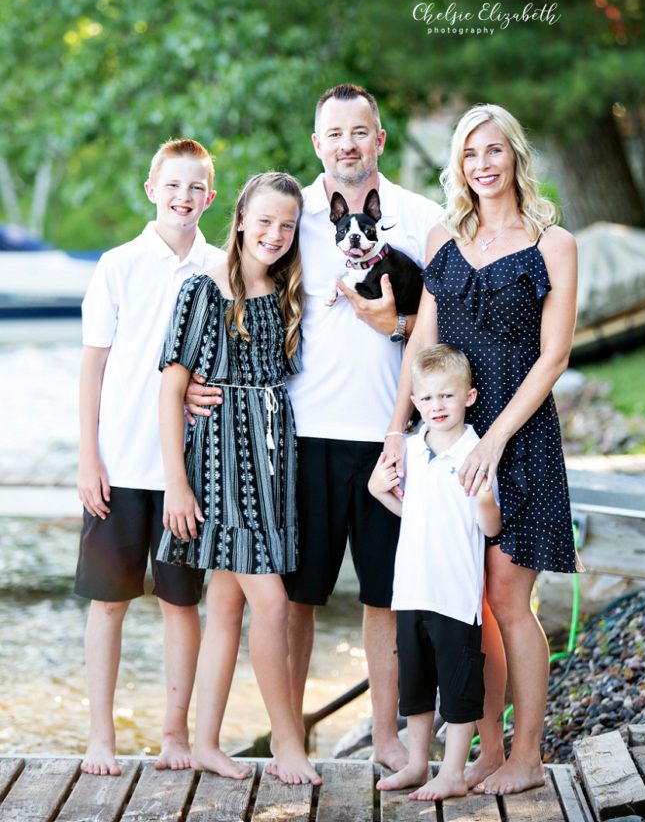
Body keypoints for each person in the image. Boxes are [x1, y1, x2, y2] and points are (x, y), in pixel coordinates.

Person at [186, 83, 442, 770]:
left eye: (360, 132)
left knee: (385, 597)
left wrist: (402, 324)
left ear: (379, 140)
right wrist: (187, 381)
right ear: (316, 143)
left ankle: (385, 736)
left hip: (391, 441)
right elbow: (222, 276)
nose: (347, 144)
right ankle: (291, 737)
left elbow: (454, 320)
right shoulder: (292, 213)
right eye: (334, 134)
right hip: (294, 440)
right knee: (296, 598)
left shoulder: (421, 217)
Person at [383, 103, 580, 795]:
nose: (483, 164)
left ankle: (527, 755)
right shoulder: (444, 237)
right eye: (470, 154)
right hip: (445, 437)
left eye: (494, 151)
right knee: (465, 598)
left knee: (505, 597)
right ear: (459, 165)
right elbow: (422, 346)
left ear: (514, 157)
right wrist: (397, 435)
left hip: (516, 438)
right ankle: (486, 752)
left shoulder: (552, 244)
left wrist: (493, 440)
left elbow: (553, 357)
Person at [157, 172, 321, 785]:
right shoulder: (204, 292)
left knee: (227, 604)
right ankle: (287, 741)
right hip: (221, 463)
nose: (274, 234)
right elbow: (171, 391)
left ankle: (204, 741)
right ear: (240, 221)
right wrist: (176, 481)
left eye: (287, 225)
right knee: (272, 603)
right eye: (265, 221)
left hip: (272, 465)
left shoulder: (287, 295)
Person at [74, 138, 221, 776]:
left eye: (196, 188)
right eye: (173, 185)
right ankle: (100, 738)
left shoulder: (221, 267)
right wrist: (88, 458)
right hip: (120, 463)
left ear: (210, 198)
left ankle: (174, 734)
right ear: (151, 190)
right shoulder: (117, 264)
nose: (183, 197)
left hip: (186, 473)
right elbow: (93, 367)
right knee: (107, 603)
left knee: (181, 603)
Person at [369, 344, 501, 801]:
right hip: (411, 590)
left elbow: (490, 526)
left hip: (455, 595)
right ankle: (417, 763)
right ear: (415, 401)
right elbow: (413, 513)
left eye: (446, 396)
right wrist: (377, 490)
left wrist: (484, 499)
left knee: (459, 687)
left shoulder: (475, 451)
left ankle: (452, 772)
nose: (436, 407)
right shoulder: (409, 447)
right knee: (416, 685)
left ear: (468, 396)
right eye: (426, 399)